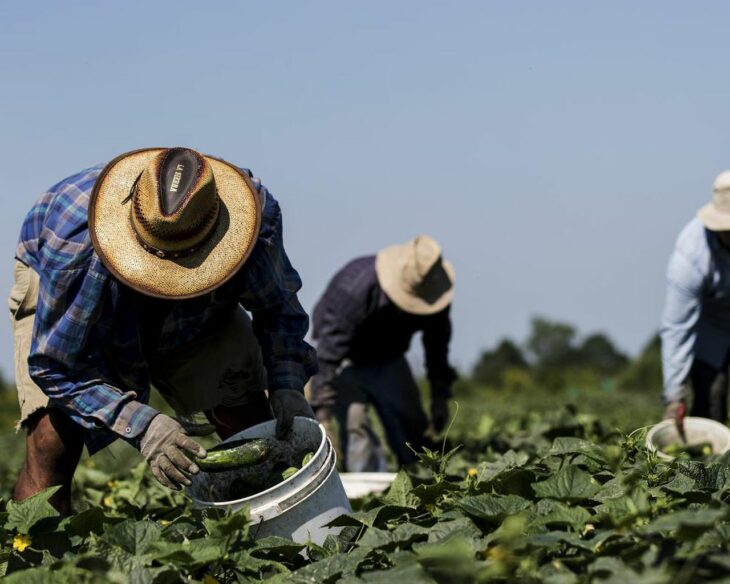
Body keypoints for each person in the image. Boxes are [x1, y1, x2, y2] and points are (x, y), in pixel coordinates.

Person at [8, 147, 317, 513]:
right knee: (53, 441)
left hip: (199, 315)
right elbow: (56, 366)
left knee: (248, 416)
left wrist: (287, 383)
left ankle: (281, 539)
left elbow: (277, 308)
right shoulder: (76, 250)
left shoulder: (253, 220)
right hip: (78, 296)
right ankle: (38, 555)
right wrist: (143, 425)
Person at [309, 235, 457, 471]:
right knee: (355, 423)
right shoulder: (354, 287)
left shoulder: (435, 293)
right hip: (343, 357)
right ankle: (366, 493)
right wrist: (322, 414)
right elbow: (328, 352)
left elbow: (437, 346)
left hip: (389, 356)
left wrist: (440, 395)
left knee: (411, 423)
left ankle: (420, 481)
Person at [661, 170, 730, 431]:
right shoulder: (691, 256)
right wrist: (675, 395)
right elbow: (677, 328)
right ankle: (715, 466)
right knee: (711, 398)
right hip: (713, 329)